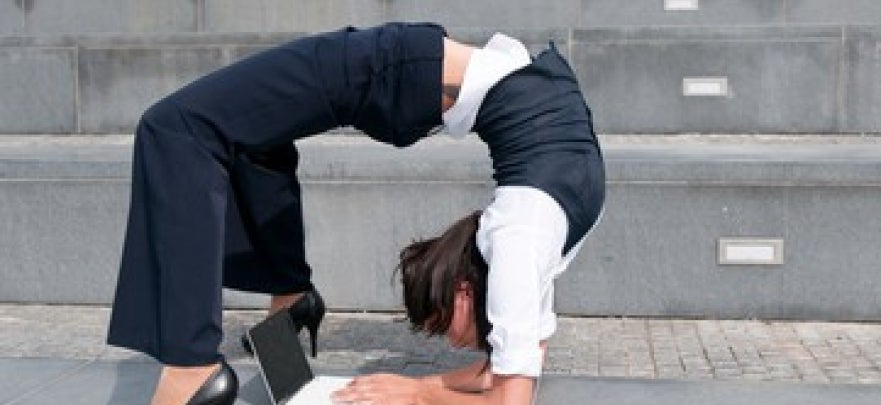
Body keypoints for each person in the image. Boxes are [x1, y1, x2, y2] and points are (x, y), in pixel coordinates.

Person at [106, 20, 604, 405]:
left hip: (408, 74)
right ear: (465, 289)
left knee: (221, 129)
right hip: (385, 69)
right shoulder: (519, 239)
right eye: (442, 328)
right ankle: (210, 348)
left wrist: (419, 390)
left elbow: (507, 381)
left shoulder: (534, 242)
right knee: (177, 129)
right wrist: (422, 392)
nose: (456, 347)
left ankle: (245, 329)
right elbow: (508, 391)